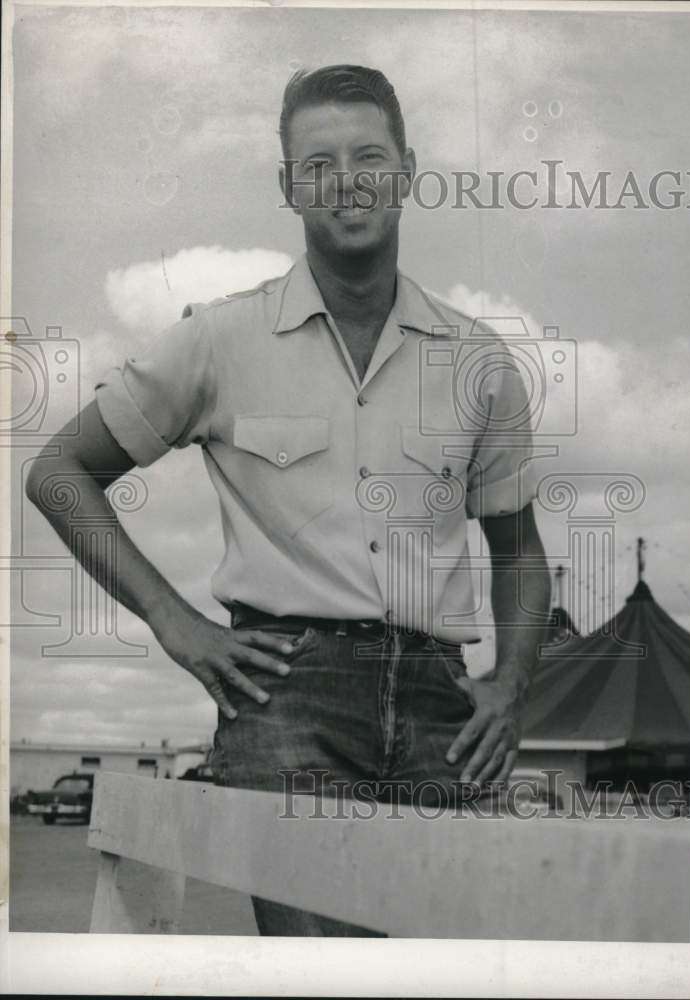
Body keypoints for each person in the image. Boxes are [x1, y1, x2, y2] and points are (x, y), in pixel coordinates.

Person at [27, 64, 551, 936]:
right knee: (316, 965)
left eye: (368, 156)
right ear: (287, 186)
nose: (346, 181)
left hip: (440, 704)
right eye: (318, 164)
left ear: (408, 170)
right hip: (288, 697)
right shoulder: (218, 339)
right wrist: (176, 622)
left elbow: (520, 550)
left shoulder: (478, 361)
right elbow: (57, 471)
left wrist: (512, 687)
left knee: (432, 966)